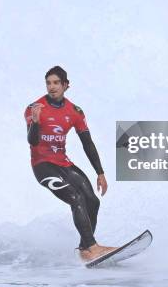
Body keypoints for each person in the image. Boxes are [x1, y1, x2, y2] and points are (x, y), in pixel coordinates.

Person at [24, 66, 117, 262]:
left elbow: (87, 142)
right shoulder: (34, 108)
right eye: (48, 83)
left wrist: (100, 172)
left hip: (63, 163)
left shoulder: (74, 111)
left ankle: (84, 249)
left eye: (56, 83)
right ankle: (93, 247)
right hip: (42, 165)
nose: (51, 87)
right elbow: (32, 141)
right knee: (75, 198)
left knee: (93, 201)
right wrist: (35, 122)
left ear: (66, 85)